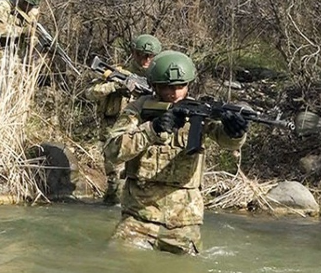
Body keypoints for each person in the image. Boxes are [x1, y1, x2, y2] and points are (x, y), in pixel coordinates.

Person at [104, 50, 248, 255]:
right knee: (116, 259)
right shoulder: (138, 110)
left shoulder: (199, 112)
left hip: (184, 222)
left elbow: (227, 142)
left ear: (189, 84)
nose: (174, 93)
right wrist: (152, 129)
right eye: (167, 87)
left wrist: (235, 133)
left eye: (180, 86)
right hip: (138, 218)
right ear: (154, 86)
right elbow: (112, 151)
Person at [84, 34, 162, 205]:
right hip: (115, 136)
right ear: (133, 53)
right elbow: (89, 93)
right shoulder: (116, 72)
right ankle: (109, 214)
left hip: (144, 136)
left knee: (142, 182)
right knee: (115, 184)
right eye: (141, 54)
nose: (145, 59)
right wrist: (115, 85)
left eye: (150, 56)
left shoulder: (158, 79)